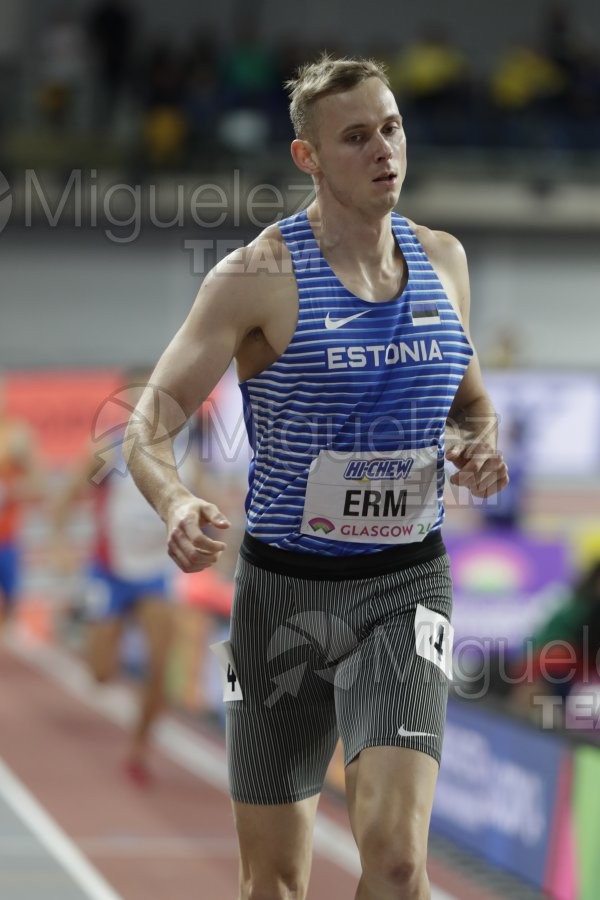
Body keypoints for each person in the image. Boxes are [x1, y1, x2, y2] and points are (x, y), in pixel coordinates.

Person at [124, 55, 509, 900]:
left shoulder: (444, 260)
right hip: (282, 597)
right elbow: (147, 425)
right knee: (274, 883)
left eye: (394, 127)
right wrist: (177, 498)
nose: (385, 150)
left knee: (400, 861)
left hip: (406, 585)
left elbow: (472, 404)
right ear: (309, 158)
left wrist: (479, 445)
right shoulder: (257, 277)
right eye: (357, 137)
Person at [52, 373, 198, 786]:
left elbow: (202, 503)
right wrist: (62, 543)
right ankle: (92, 628)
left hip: (157, 573)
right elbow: (65, 499)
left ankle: (139, 748)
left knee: (161, 665)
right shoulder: (106, 451)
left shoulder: (183, 450)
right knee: (99, 673)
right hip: (110, 571)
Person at [0, 384, 45, 633]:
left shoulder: (15, 435)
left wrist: (10, 490)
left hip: (6, 539)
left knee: (10, 609)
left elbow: (38, 485)